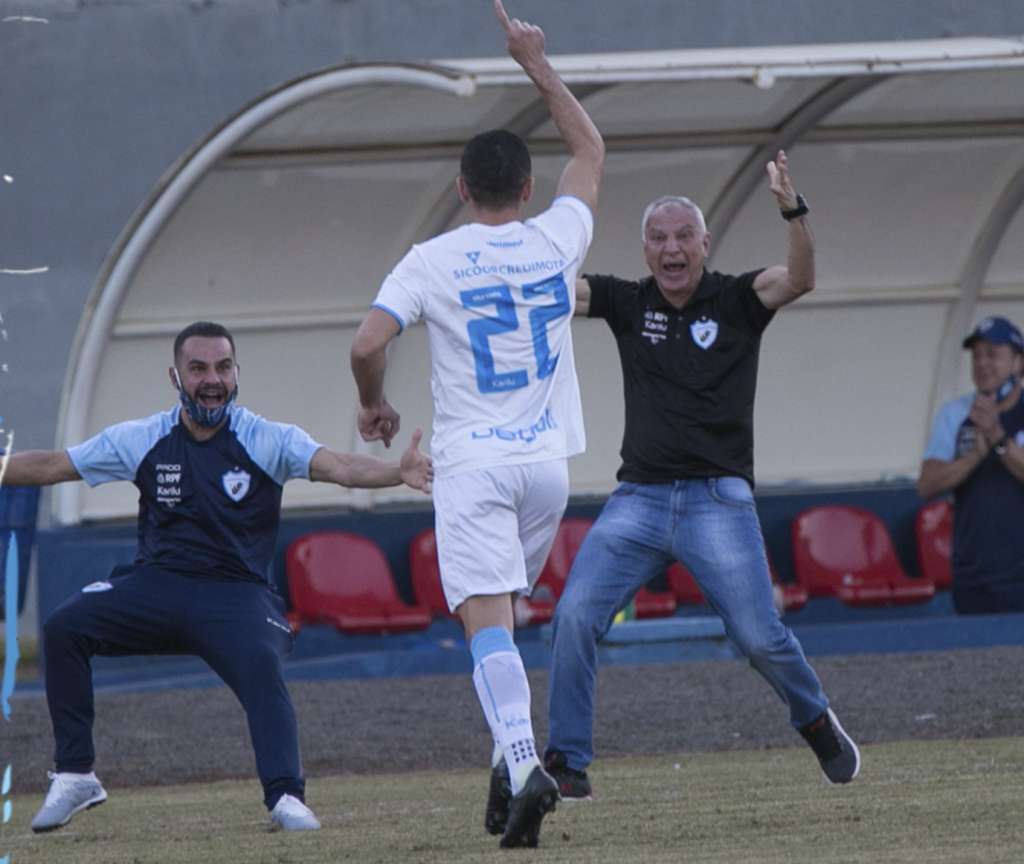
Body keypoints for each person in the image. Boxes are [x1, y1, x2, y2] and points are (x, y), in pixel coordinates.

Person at [6, 320, 432, 834]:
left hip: (237, 593)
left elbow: (339, 466)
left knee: (261, 662)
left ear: (237, 373)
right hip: (156, 585)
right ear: (175, 377)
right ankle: (76, 774)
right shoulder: (144, 438)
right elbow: (53, 466)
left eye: (223, 367)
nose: (212, 379)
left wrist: (397, 472)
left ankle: (286, 797)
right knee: (62, 628)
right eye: (198, 368)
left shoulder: (265, 438)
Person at [350, 0, 603, 849]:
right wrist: (535, 64)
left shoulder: (432, 259)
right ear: (527, 190)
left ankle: (524, 761)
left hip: (472, 464)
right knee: (504, 617)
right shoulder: (556, 240)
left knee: (483, 624)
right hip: (547, 467)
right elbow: (590, 152)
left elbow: (367, 342)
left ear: (462, 189)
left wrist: (373, 402)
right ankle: (507, 762)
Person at [544, 152, 861, 800]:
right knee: (573, 616)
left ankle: (815, 719)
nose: (672, 249)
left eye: (684, 236)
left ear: (705, 244)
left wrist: (791, 208)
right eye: (659, 239)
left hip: (718, 499)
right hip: (638, 500)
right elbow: (552, 292)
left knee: (758, 636)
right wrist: (516, 248)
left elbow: (801, 278)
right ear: (645, 249)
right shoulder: (628, 301)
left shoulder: (738, 298)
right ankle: (567, 762)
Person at [917, 316, 1024, 613]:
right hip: (972, 576)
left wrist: (998, 439)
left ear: (1018, 362)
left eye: (993, 354)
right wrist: (973, 458)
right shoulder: (955, 414)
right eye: (976, 356)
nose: (982, 363)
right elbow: (926, 485)